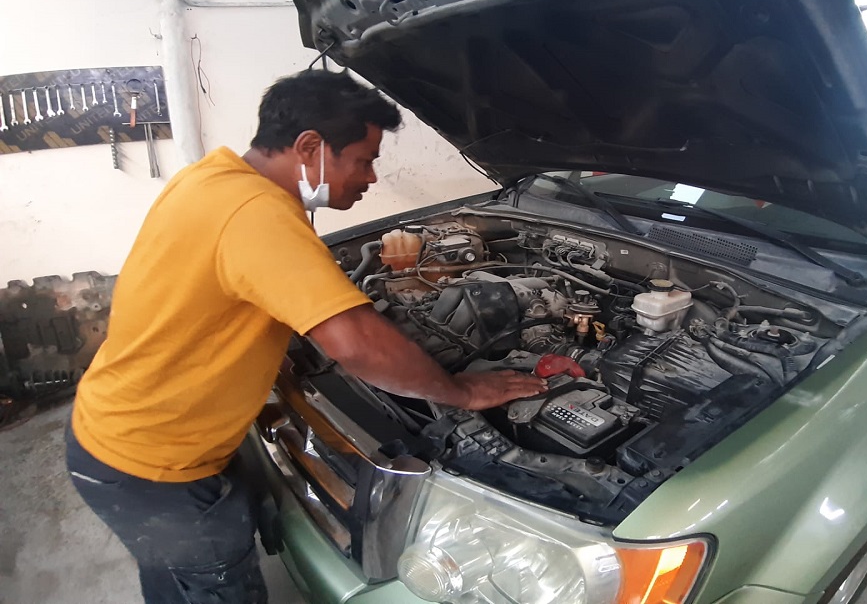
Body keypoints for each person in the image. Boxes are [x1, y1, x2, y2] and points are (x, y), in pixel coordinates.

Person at [65, 69, 546, 604]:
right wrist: (461, 390)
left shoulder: (213, 178)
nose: (370, 177)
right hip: (154, 468)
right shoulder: (255, 214)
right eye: (364, 160)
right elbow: (356, 343)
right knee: (208, 586)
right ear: (310, 147)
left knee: (171, 581)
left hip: (119, 430)